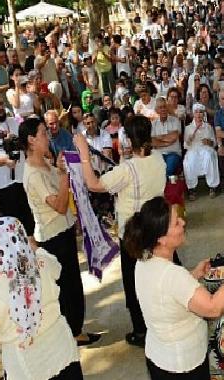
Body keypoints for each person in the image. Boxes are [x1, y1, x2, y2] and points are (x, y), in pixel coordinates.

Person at [123, 197, 224, 379]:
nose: (183, 223)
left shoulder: (143, 261)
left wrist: (193, 275)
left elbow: (166, 295)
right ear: (161, 239)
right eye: (176, 223)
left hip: (159, 357)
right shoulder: (174, 276)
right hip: (183, 366)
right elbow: (213, 307)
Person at [0, 217, 84, 379]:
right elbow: (56, 267)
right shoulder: (43, 264)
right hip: (63, 350)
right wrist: (35, 248)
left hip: (27, 366)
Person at [74, 115, 166, 347]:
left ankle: (141, 331)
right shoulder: (159, 160)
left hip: (134, 235)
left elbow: (94, 184)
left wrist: (85, 154)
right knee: (160, 278)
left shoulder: (127, 170)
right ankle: (160, 322)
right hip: (157, 228)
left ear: (127, 139)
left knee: (135, 285)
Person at [19, 117, 100, 346]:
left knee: (73, 283)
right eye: (43, 133)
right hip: (53, 237)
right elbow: (59, 205)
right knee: (66, 287)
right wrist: (64, 175)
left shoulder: (45, 162)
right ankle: (73, 332)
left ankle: (75, 328)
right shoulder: (33, 174)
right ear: (31, 140)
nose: (47, 136)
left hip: (63, 231)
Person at [0, 93, 35, 237]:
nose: (0, 107)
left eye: (1, 103)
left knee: (30, 224)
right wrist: (4, 161)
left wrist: (17, 143)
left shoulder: (15, 122)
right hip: (4, 186)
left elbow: (27, 146)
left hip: (23, 180)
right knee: (13, 229)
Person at [183, 104, 219, 200]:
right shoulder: (188, 128)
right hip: (193, 149)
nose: (199, 114)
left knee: (209, 156)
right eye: (196, 112)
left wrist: (209, 142)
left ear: (203, 114)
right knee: (190, 160)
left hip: (206, 148)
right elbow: (185, 146)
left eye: (201, 112)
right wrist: (189, 140)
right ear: (193, 114)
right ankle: (192, 188)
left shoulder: (208, 127)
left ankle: (212, 186)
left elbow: (214, 143)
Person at [152, 96, 182, 176]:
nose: (163, 109)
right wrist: (167, 141)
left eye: (164, 106)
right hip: (158, 154)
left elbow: (174, 137)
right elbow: (153, 142)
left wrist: (159, 138)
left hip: (173, 153)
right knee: (155, 169)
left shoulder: (175, 120)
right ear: (157, 110)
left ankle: (165, 187)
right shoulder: (153, 124)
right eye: (160, 107)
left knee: (168, 169)